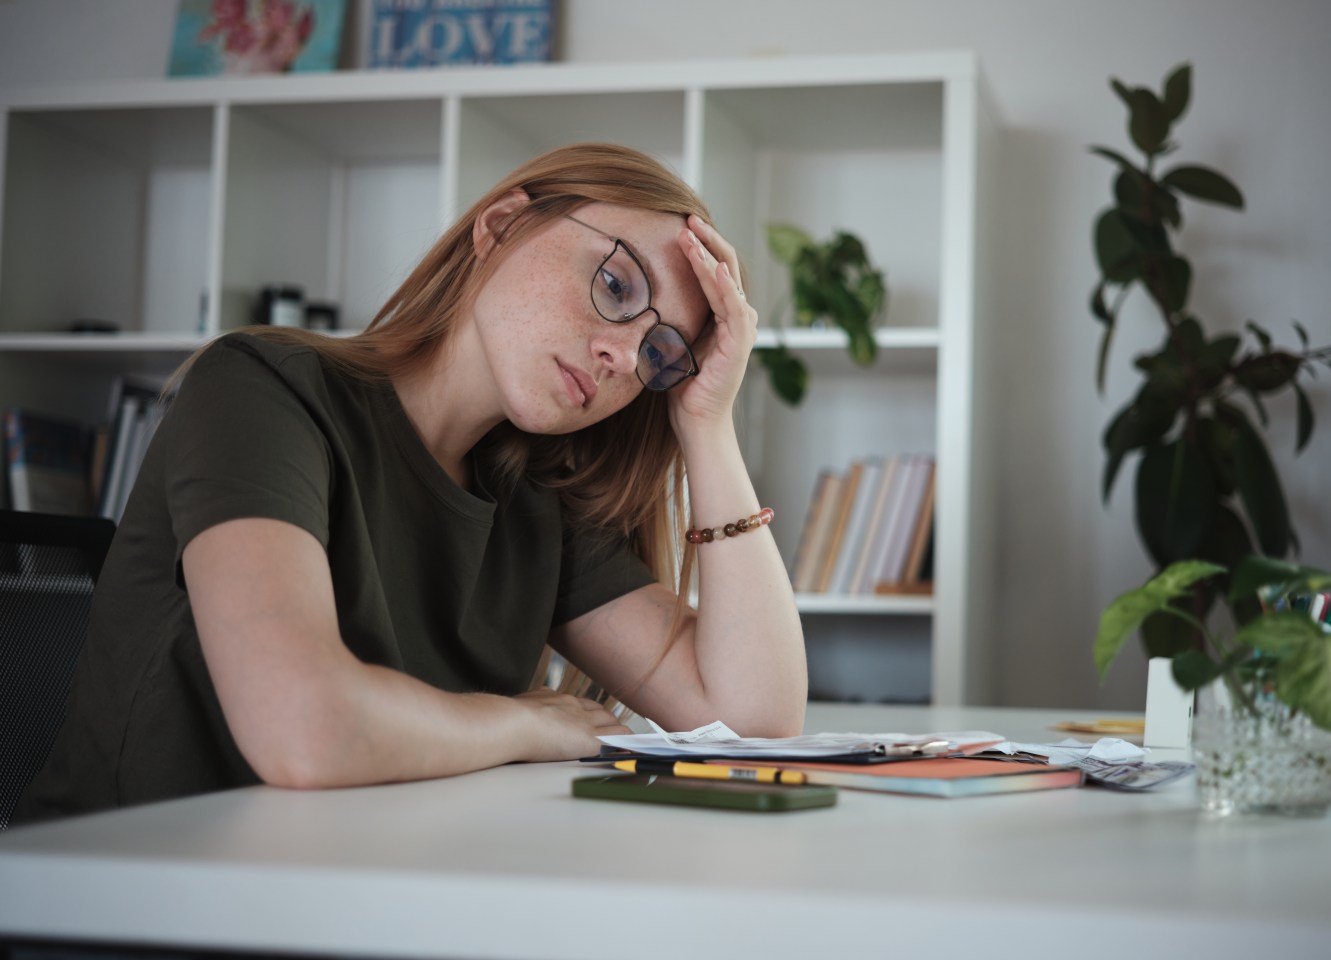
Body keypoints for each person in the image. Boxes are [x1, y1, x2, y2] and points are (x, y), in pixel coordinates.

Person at [15, 143, 806, 823]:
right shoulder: (264, 391)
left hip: (364, 890)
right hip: (132, 894)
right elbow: (304, 732)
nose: (621, 356)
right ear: (500, 226)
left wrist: (707, 421)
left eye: (659, 355)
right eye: (619, 286)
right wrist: (523, 725)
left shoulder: (538, 497)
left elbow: (755, 721)